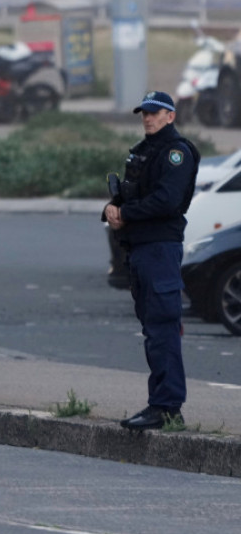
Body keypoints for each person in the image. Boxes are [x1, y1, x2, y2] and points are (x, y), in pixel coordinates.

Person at [103, 90, 199, 431]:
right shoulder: (144, 151)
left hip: (159, 248)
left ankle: (167, 407)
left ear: (170, 116)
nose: (147, 118)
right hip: (141, 249)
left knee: (162, 328)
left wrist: (126, 214)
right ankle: (161, 403)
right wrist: (112, 208)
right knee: (153, 329)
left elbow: (166, 200)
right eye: (144, 112)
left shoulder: (176, 153)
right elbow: (132, 193)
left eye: (155, 112)